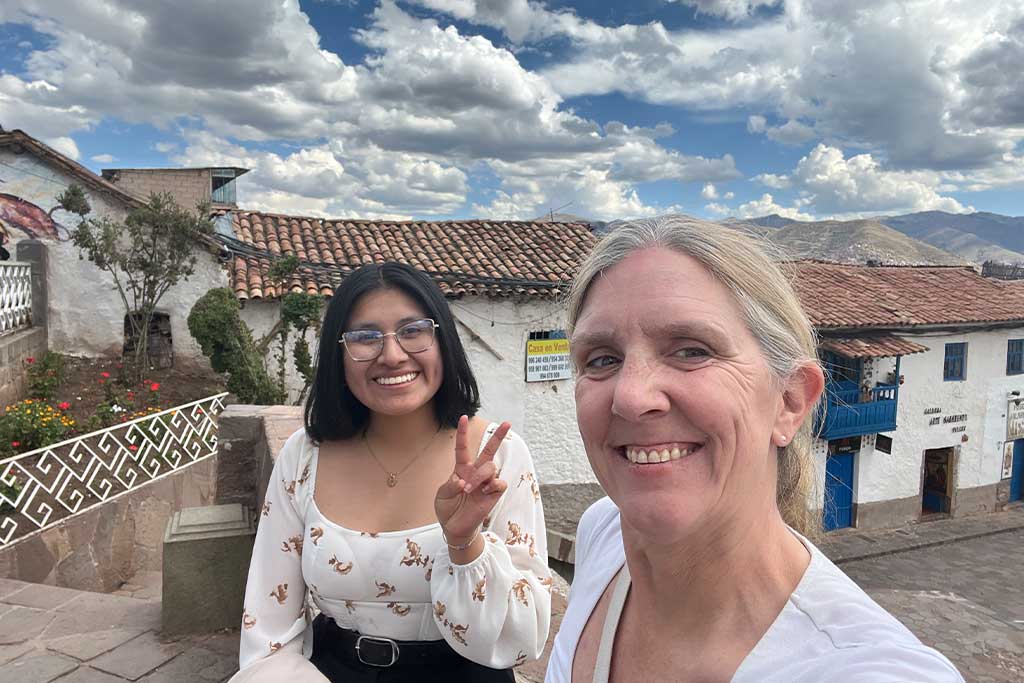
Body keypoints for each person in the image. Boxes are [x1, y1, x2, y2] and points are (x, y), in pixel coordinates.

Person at [546, 217, 962, 682]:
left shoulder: (865, 669)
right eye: (601, 359)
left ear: (789, 401)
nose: (631, 397)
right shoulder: (603, 532)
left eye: (691, 351)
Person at [235, 262, 551, 682]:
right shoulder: (304, 457)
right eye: (364, 337)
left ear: (442, 340)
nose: (392, 355)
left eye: (413, 330)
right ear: (339, 354)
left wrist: (465, 544)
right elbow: (269, 629)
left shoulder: (497, 457)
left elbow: (522, 638)